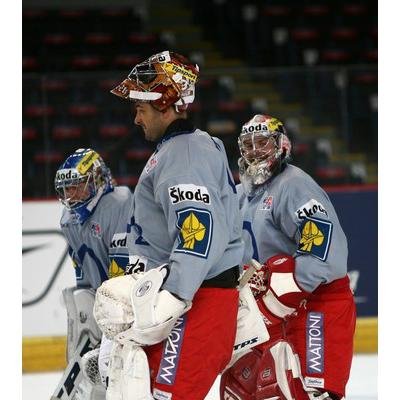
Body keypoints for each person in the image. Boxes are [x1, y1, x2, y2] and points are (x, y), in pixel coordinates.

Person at [93, 50, 244, 400]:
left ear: (164, 104)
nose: (135, 118)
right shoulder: (181, 149)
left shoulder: (184, 154)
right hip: (189, 299)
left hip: (195, 301)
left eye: (140, 108)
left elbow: (198, 230)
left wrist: (174, 296)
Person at [220, 114, 356, 400]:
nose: (255, 151)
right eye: (248, 145)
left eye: (262, 143)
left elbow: (320, 246)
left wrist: (284, 293)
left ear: (281, 145)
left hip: (317, 305)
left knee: (307, 392)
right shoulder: (241, 194)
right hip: (269, 311)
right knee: (244, 391)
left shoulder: (294, 185)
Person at [54, 148, 135, 399]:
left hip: (131, 298)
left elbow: (123, 276)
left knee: (127, 372)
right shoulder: (68, 219)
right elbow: (83, 272)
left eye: (77, 186)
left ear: (99, 180)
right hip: (103, 297)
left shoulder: (119, 204)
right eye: (66, 189)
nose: (70, 195)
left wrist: (110, 313)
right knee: (78, 301)